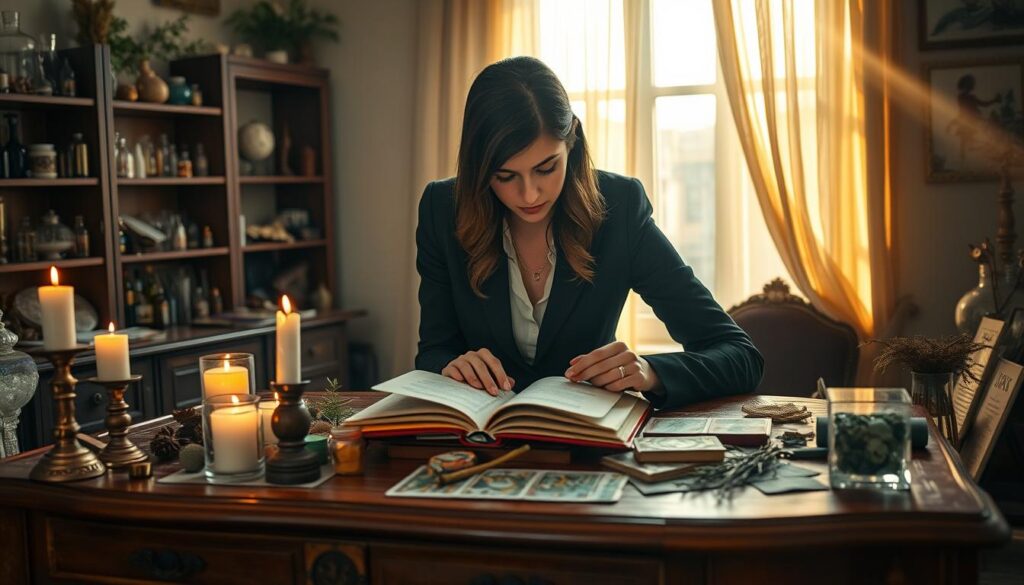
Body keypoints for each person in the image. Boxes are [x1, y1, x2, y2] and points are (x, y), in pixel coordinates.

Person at [415, 56, 762, 409]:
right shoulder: (442, 209)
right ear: (479, 167)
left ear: (572, 142)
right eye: (505, 176)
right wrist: (450, 365)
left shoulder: (620, 208)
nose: (530, 194)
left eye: (546, 168)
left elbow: (740, 356)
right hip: (481, 446)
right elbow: (433, 351)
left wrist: (648, 371)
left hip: (590, 449)